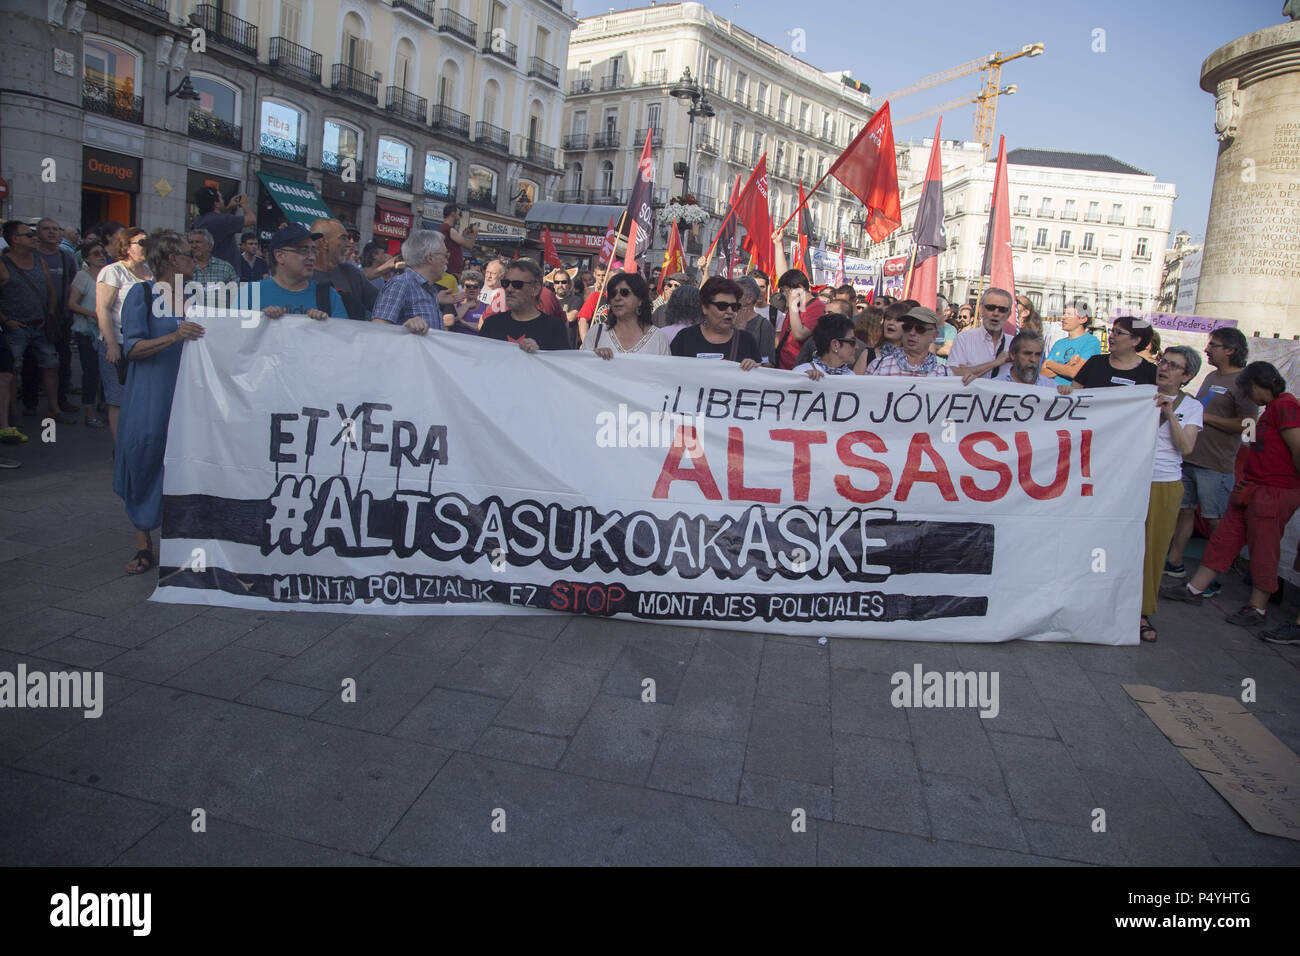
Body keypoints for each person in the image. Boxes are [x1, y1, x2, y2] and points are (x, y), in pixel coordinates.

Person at [1163, 362, 1300, 631]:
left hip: (1273, 489)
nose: (1248, 396)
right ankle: (1194, 589)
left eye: (1249, 390)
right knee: (1224, 539)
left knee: (1264, 547)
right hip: (1253, 486)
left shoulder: (1285, 406)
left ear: (1259, 385)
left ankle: (1257, 607)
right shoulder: (1274, 408)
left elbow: (1297, 446)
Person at [113, 229, 206, 574]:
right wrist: (174, 335)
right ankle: (143, 544)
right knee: (145, 455)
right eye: (188, 254)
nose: (194, 259)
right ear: (172, 259)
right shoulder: (142, 293)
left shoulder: (198, 296)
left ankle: (178, 539)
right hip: (152, 392)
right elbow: (132, 348)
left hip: (189, 393)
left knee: (183, 461)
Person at [1164, 328, 1257, 585]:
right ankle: (1175, 562)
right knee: (1184, 513)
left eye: (1213, 345)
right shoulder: (1213, 375)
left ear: (1230, 350)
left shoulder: (1243, 382)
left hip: (1215, 465)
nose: (1207, 349)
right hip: (1191, 458)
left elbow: (1250, 426)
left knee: (1215, 520)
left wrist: (1206, 417)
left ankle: (1212, 577)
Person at [1137, 346, 1204, 642]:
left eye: (1174, 366)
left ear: (1186, 376)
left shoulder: (1192, 407)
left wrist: (1170, 414)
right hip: (1129, 478)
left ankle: (1142, 611)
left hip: (1163, 482)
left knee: (1153, 548)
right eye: (1163, 361)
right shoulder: (1140, 393)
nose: (1165, 368)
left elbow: (1186, 447)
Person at [1, 220, 75, 429]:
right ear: (15, 239)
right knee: (11, 370)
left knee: (52, 364)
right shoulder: (3, 263)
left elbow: (50, 289)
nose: (34, 238)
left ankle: (54, 408)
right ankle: (12, 413)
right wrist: (6, 320)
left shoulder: (38, 260)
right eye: (29, 235)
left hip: (40, 325)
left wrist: (49, 313)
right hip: (15, 328)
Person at [95, 226, 151, 439]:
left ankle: (136, 440)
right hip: (117, 342)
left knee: (139, 396)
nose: (147, 247)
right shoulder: (113, 271)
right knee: (118, 398)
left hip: (142, 343)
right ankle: (120, 447)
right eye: (141, 242)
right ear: (127, 247)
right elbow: (103, 309)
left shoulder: (150, 271)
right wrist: (110, 344)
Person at [255, 224, 348, 320]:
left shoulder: (328, 295)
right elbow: (241, 333)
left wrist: (324, 325)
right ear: (280, 256)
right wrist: (261, 320)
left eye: (314, 251)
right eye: (304, 250)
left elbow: (342, 333)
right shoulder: (250, 292)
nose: (312, 257)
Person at [36, 217, 79, 413]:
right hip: (34, 318)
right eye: (47, 229)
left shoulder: (66, 256)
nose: (52, 232)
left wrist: (72, 311)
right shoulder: (33, 256)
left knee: (63, 359)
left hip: (61, 317)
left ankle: (61, 399)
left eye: (55, 228)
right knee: (31, 361)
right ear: (38, 233)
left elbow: (73, 283)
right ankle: (30, 402)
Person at [479, 259, 570, 351]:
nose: (509, 289)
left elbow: (560, 362)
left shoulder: (554, 328)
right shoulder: (491, 324)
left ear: (535, 289)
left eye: (517, 284)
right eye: (505, 283)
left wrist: (540, 353)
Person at [669, 276, 762, 368]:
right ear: (705, 308)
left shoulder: (746, 341)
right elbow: (670, 373)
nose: (730, 311)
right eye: (722, 306)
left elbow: (759, 378)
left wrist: (754, 367)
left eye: (734, 307)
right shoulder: (685, 338)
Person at [371, 229, 451, 335]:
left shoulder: (429, 289)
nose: (447, 261)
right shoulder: (400, 284)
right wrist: (405, 328)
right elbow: (377, 330)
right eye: (445, 255)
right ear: (430, 258)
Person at [583, 271, 670, 358]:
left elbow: (665, 371)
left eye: (624, 293)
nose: (617, 298)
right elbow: (582, 367)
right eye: (613, 294)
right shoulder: (596, 333)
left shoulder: (659, 339)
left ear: (640, 300)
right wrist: (594, 357)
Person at [69, 241, 108, 428]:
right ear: (86, 258)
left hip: (106, 330)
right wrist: (95, 314)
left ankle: (105, 406)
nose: (101, 256)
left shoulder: (109, 275)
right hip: (86, 331)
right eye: (95, 253)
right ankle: (89, 412)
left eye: (102, 252)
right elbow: (72, 304)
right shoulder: (82, 277)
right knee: (91, 372)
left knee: (107, 371)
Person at [1061, 315, 1157, 392]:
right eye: (1112, 331)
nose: (1111, 337)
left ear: (1136, 340)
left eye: (1118, 333)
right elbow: (1075, 391)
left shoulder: (1151, 372)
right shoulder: (1095, 362)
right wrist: (1067, 390)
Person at [311, 218, 378, 322]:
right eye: (343, 238)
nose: (349, 244)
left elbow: (382, 306)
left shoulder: (351, 273)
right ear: (324, 242)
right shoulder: (302, 276)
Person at [947, 287, 1015, 380]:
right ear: (981, 310)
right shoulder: (964, 339)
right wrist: (995, 363)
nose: (996, 313)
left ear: (1008, 314)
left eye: (1002, 309)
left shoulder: (1014, 344)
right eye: (990, 308)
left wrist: (970, 371)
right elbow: (952, 374)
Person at [865, 306, 953, 377]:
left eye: (920, 329)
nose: (912, 333)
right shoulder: (878, 366)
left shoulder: (944, 375)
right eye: (907, 327)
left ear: (934, 336)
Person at [191, 186, 255, 271]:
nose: (223, 201)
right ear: (216, 203)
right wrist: (246, 206)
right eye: (221, 199)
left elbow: (219, 220)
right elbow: (251, 219)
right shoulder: (223, 220)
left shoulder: (199, 221)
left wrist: (229, 207)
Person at [1040, 299, 1102, 385]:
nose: (1063, 317)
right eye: (1064, 313)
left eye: (1069, 314)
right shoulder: (1059, 343)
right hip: (1051, 393)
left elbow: (1075, 372)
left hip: (1072, 395)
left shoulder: (1091, 342)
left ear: (1083, 319)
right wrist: (1067, 366)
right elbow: (1042, 373)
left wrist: (1050, 364)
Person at [773, 269, 825, 370]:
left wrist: (792, 302)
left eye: (786, 291)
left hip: (799, 370)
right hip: (784, 367)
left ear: (800, 288)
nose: (784, 296)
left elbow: (799, 334)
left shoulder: (817, 307)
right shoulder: (797, 307)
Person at [794, 313, 859, 380]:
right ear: (835, 344)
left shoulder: (852, 378)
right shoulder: (801, 372)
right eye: (852, 341)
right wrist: (804, 381)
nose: (857, 347)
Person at [187, 228, 238, 308]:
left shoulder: (225, 268)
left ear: (210, 246)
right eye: (191, 242)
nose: (194, 246)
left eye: (198, 242)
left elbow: (237, 295)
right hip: (192, 318)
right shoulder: (184, 268)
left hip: (220, 318)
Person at [736, 276, 776, 366]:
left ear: (749, 299)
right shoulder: (727, 321)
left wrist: (755, 364)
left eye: (737, 293)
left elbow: (768, 362)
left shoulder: (764, 325)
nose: (732, 296)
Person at [438, 203, 478, 278]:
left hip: (450, 269)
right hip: (453, 270)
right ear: (453, 213)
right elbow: (469, 245)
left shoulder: (444, 228)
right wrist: (475, 233)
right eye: (458, 213)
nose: (460, 217)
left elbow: (455, 244)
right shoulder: (449, 229)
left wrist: (464, 235)